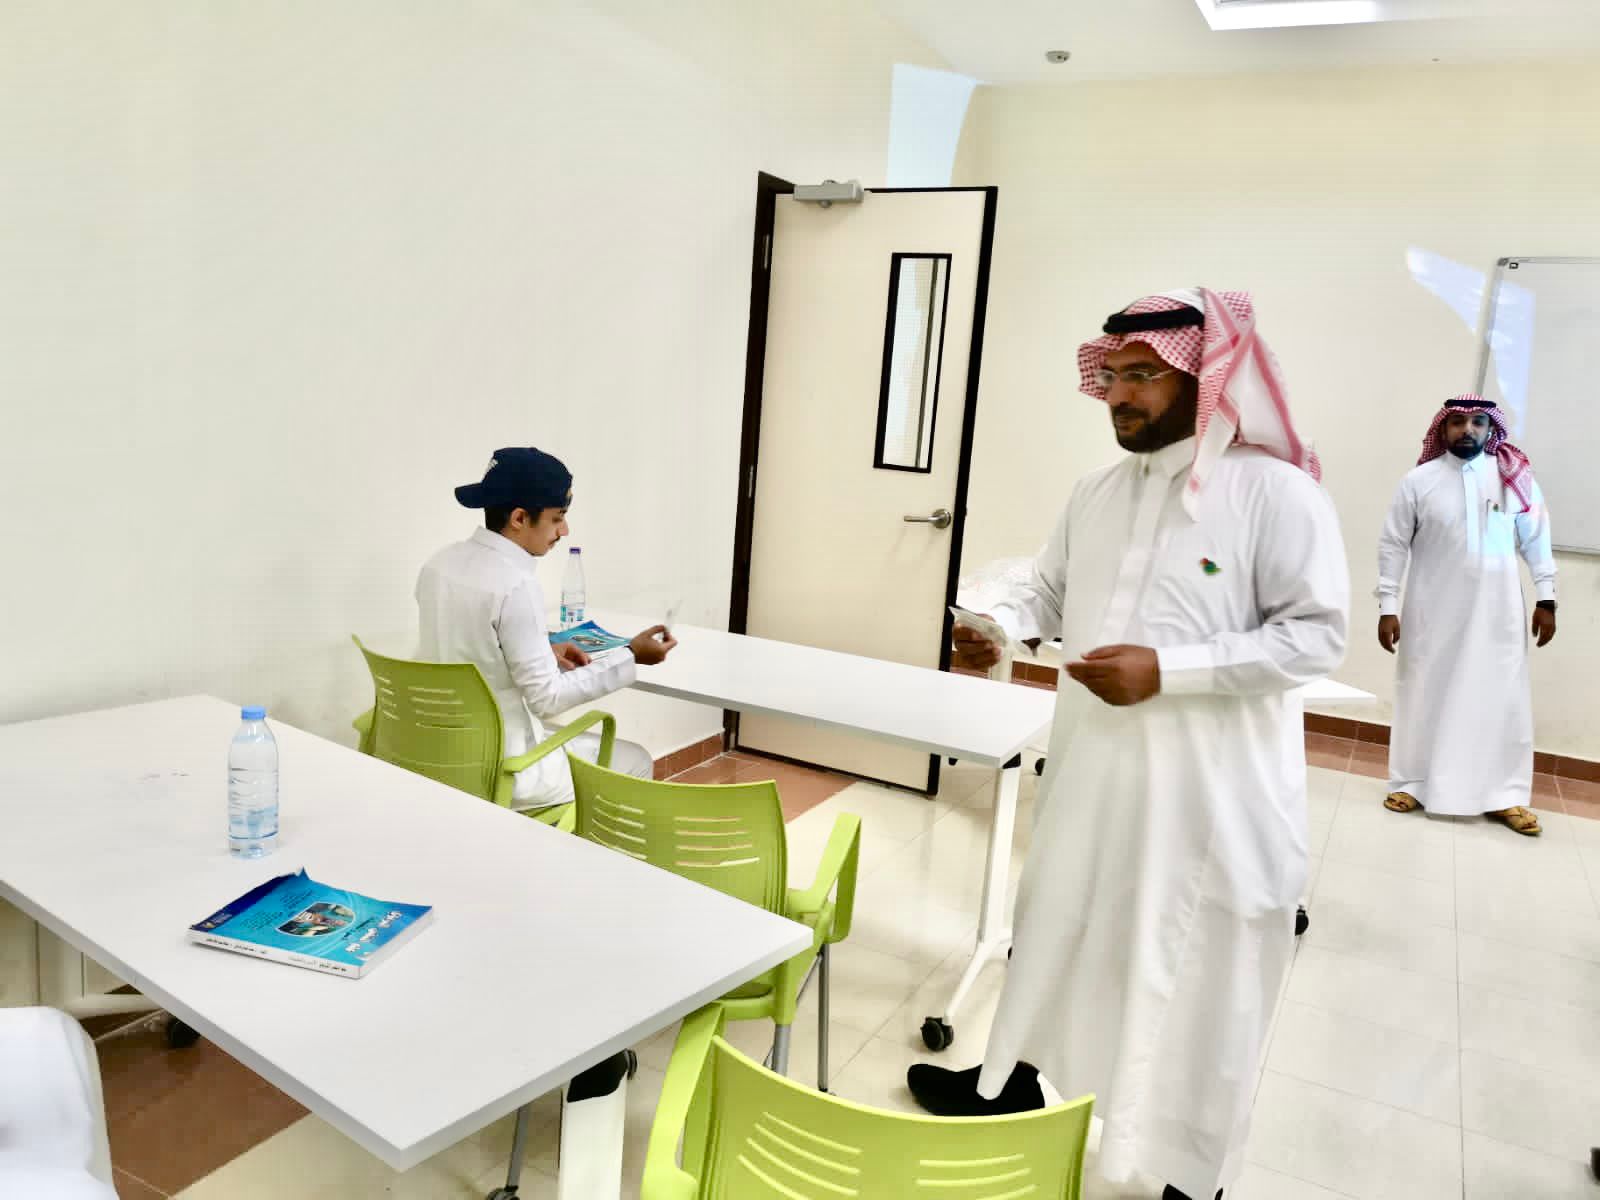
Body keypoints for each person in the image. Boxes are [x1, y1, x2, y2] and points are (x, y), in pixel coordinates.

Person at [905, 289, 1349, 1200]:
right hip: (1093, 774)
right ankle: (1011, 1083)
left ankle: (1191, 1170)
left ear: (1206, 380)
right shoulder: (1098, 492)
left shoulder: (1276, 493)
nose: (1118, 394)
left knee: (1197, 977)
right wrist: (999, 628)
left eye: (1144, 375)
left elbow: (1314, 638)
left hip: (1210, 801)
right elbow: (1050, 592)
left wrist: (1168, 671)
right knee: (1060, 927)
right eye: (1111, 375)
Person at [416, 446, 676, 813]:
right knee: (634, 760)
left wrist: (542, 647)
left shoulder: (439, 564)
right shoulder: (514, 585)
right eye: (558, 518)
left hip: (439, 751)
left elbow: (466, 647)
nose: (564, 531)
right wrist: (631, 656)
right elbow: (547, 699)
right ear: (520, 518)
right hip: (503, 769)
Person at [1376, 394, 1557, 835]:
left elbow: (1536, 539)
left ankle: (1504, 795)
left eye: (1477, 422)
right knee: (1423, 692)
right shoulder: (1418, 481)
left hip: (1498, 613)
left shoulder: (1514, 477)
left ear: (1490, 429)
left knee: (1501, 699)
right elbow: (1393, 545)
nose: (1468, 430)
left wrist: (1546, 598)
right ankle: (1413, 782)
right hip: (1432, 610)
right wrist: (1388, 606)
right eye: (1457, 422)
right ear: (1443, 428)